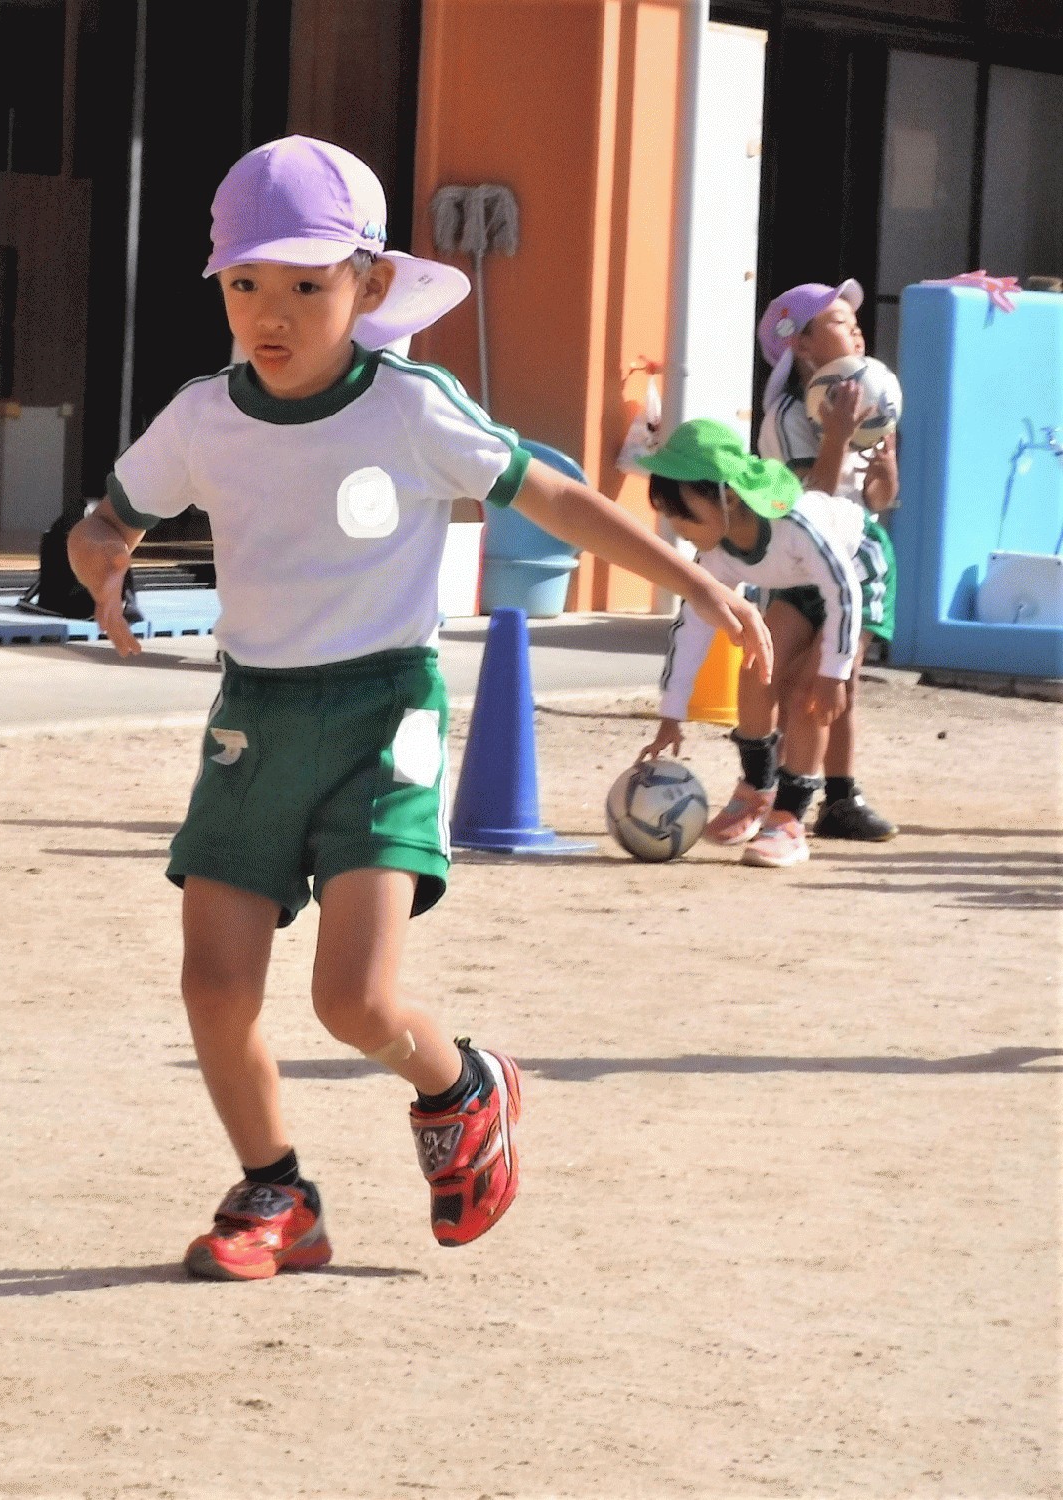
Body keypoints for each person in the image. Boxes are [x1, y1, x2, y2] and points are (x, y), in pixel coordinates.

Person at [68, 137, 773, 1277]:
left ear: (371, 284)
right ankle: (274, 1195)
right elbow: (107, 518)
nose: (271, 312)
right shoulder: (201, 417)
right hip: (253, 716)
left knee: (352, 1001)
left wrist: (691, 579)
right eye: (247, 284)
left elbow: (549, 490)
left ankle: (458, 1087)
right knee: (212, 980)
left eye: (306, 283)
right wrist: (98, 554)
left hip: (381, 713)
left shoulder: (407, 407)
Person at [637, 419, 869, 869]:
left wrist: (834, 673)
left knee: (806, 695)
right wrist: (672, 712)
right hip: (800, 587)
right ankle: (756, 792)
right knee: (755, 667)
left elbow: (844, 593)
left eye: (683, 514)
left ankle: (789, 820)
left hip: (859, 578)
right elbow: (694, 626)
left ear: (726, 495)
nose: (676, 527)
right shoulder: (716, 552)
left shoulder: (796, 525)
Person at [754, 281, 899, 840]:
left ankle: (839, 796)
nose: (857, 328)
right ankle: (766, 784)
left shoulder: (871, 403)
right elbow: (809, 501)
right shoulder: (788, 416)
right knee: (776, 672)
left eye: (855, 320)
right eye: (839, 321)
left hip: (859, 560)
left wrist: (886, 475)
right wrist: (837, 435)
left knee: (838, 678)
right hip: (799, 559)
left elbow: (877, 501)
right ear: (803, 346)